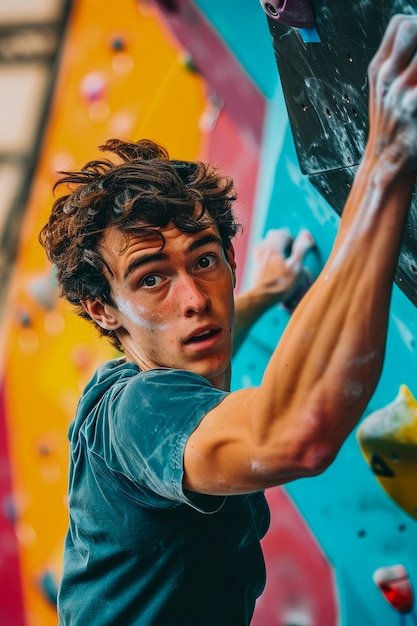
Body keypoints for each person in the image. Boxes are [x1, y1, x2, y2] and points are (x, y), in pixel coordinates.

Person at [39, 13, 417, 625]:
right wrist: (386, 160)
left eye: (206, 260)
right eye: (151, 277)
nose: (194, 297)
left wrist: (264, 292)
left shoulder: (147, 369)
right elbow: (296, 433)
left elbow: (199, 321)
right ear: (101, 310)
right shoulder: (137, 412)